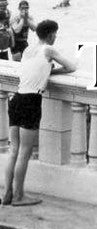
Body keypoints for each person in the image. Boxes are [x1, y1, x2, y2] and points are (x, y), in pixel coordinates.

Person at [3, 20, 77, 206]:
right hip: (31, 101)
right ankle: (19, 196)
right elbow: (71, 66)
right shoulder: (48, 51)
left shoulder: (28, 50)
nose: (55, 36)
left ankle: (7, 193)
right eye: (55, 34)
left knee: (14, 150)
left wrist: (46, 70)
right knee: (24, 152)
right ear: (51, 34)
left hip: (17, 98)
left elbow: (30, 70)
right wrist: (54, 71)